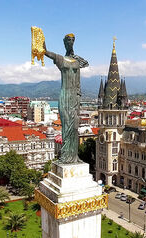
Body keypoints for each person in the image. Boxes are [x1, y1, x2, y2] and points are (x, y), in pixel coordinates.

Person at [43, 34, 88, 164]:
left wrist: (75, 56)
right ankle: (66, 156)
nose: (70, 42)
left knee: (74, 127)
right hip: (65, 95)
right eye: (68, 40)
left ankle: (74, 156)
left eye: (72, 40)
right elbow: (46, 52)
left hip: (75, 95)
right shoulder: (61, 59)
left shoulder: (76, 61)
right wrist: (41, 41)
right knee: (66, 125)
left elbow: (86, 63)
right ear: (64, 42)